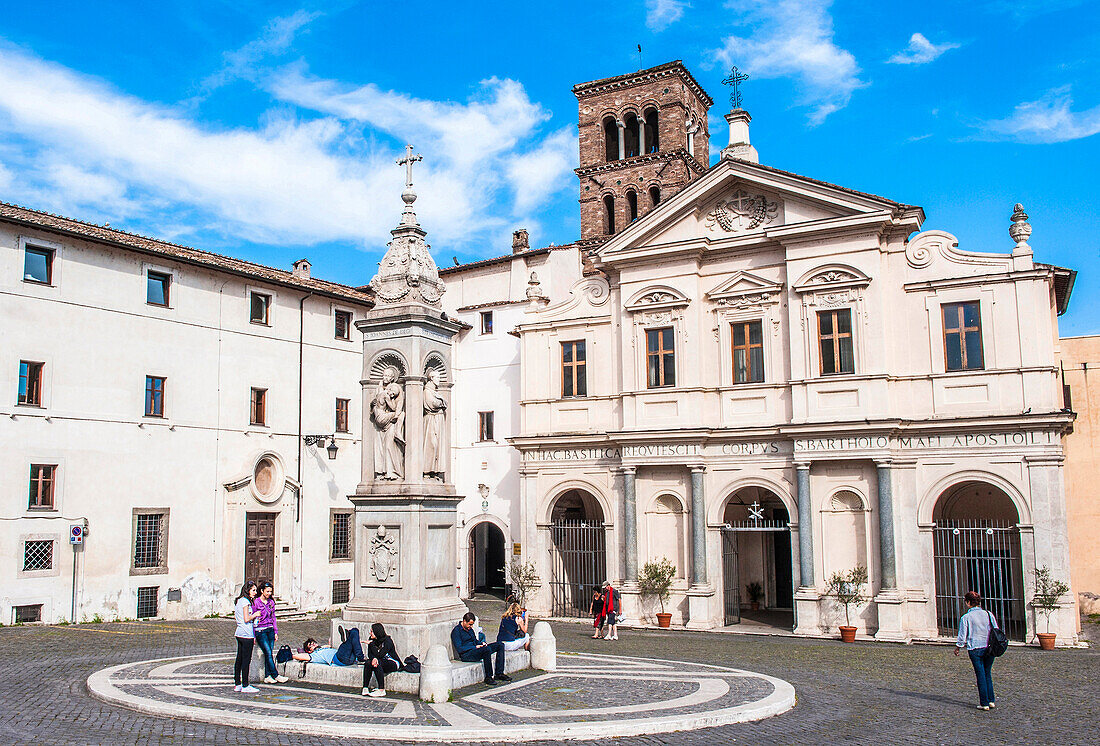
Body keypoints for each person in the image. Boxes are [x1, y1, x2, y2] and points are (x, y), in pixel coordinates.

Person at [955, 590, 999, 710]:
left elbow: (962, 635)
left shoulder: (966, 617)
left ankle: (984, 703)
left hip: (975, 648)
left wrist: (958, 647)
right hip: (989, 648)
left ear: (968, 602)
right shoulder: (989, 614)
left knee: (980, 675)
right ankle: (991, 700)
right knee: (987, 673)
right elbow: (996, 629)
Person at [452, 611, 511, 686]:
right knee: (486, 650)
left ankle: (499, 673)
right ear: (464, 621)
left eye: (472, 624)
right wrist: (475, 647)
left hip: (476, 649)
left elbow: (475, 640)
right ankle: (488, 676)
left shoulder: (470, 629)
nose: (471, 626)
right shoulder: (456, 631)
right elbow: (460, 648)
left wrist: (481, 644)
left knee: (500, 645)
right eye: (470, 624)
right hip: (467, 654)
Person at [252, 581, 287, 684]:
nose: (269, 594)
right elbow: (253, 620)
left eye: (270, 592)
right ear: (262, 591)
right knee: (267, 652)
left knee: (269, 653)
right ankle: (275, 675)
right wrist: (253, 635)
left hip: (270, 629)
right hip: (260, 631)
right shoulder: (256, 602)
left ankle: (268, 676)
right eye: (267, 591)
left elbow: (273, 617)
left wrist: (275, 631)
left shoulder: (271, 603)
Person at [233, 581, 260, 693]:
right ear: (247, 590)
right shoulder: (245, 602)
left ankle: (237, 683)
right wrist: (255, 615)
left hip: (239, 632)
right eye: (253, 590)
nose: (255, 592)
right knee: (246, 660)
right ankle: (245, 684)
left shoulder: (239, 601)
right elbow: (246, 618)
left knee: (239, 658)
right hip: (246, 634)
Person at [365, 623, 402, 697]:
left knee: (378, 663)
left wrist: (371, 645)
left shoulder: (388, 641)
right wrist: (374, 658)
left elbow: (380, 655)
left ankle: (381, 690)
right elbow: (370, 654)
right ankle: (365, 687)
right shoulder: (371, 640)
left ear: (377, 632)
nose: (370, 633)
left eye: (372, 631)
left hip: (392, 662)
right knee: (368, 663)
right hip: (380, 661)